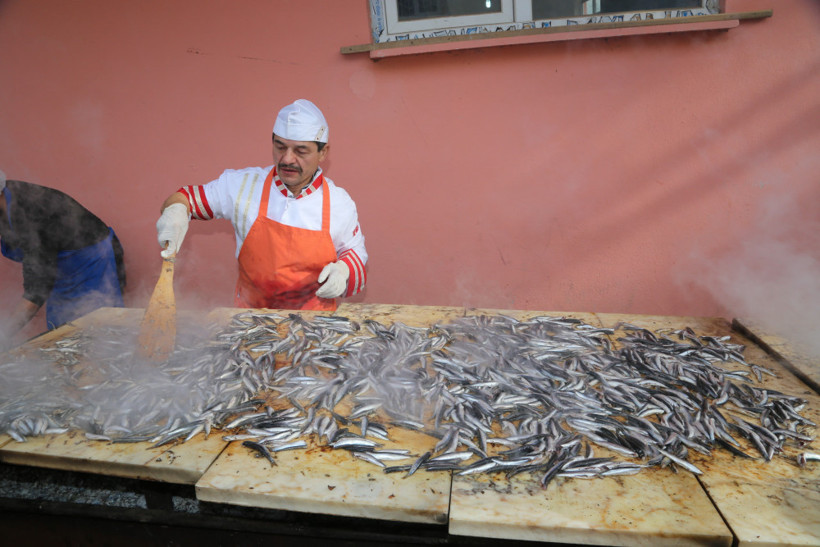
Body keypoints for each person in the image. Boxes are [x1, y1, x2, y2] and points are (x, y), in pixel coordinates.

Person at [155, 99, 367, 311]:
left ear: (323, 153)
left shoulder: (339, 202)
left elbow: (355, 252)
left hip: (315, 328)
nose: (287, 159)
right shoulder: (243, 185)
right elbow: (187, 198)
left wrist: (344, 269)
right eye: (280, 147)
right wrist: (176, 210)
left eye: (301, 151)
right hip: (250, 322)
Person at [0, 170, 126, 341]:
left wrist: (4, 335)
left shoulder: (32, 215)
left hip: (93, 264)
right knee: (62, 336)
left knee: (100, 335)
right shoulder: (6, 198)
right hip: (61, 270)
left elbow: (35, 293)